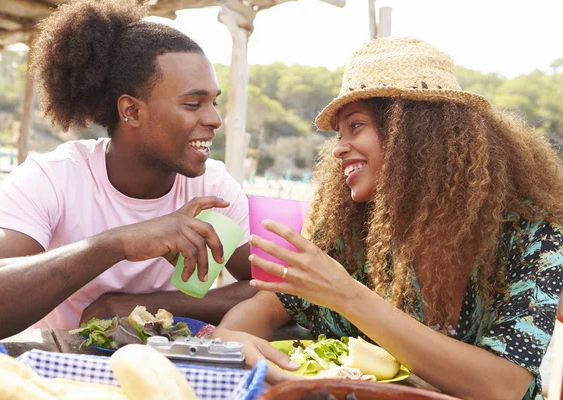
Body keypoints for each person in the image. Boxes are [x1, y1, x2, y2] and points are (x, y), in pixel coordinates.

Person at [212, 37, 563, 400]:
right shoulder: (349, 233)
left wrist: (348, 296)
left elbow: (504, 386)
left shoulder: (533, 237)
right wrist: (231, 338)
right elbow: (264, 308)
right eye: (339, 133)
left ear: (416, 134)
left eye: (356, 126)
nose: (338, 149)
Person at [0, 0, 256, 346]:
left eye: (214, 102)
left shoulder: (215, 188)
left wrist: (141, 305)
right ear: (131, 111)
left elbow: (281, 289)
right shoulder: (51, 179)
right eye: (193, 104)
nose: (214, 120)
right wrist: (117, 243)